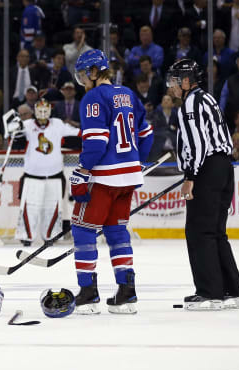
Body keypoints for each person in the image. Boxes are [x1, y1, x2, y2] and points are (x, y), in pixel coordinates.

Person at [69, 49, 154, 315]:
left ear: (95, 72)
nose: (82, 80)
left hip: (104, 176)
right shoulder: (128, 94)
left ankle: (88, 292)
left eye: (84, 74)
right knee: (117, 231)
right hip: (128, 177)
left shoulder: (93, 98)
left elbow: (96, 141)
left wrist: (82, 171)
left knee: (83, 230)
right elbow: (147, 134)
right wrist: (136, 160)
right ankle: (127, 291)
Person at [167, 58, 239, 310]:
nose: (172, 85)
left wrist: (190, 176)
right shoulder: (207, 98)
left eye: (176, 80)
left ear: (187, 81)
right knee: (216, 232)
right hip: (224, 169)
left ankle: (210, 293)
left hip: (207, 170)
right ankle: (231, 291)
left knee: (199, 231)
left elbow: (198, 144)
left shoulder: (189, 103)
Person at [14, 99, 80, 246]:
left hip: (55, 176)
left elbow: (76, 132)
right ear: (35, 112)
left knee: (53, 207)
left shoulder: (57, 124)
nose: (43, 114)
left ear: (50, 111)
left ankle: (50, 236)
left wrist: (92, 133)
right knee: (30, 207)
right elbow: (13, 138)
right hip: (32, 176)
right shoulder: (27, 125)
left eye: (45, 110)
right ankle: (26, 236)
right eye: (40, 111)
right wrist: (13, 128)